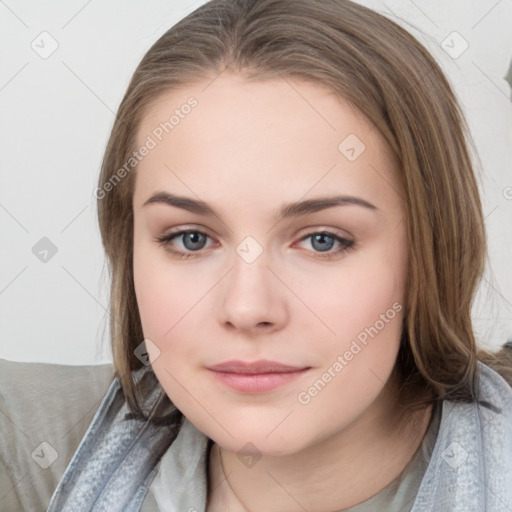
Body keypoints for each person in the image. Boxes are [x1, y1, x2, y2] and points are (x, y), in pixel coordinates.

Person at [1, 0, 512, 510]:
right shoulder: (32, 451)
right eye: (190, 238)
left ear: (432, 250)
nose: (247, 308)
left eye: (322, 240)